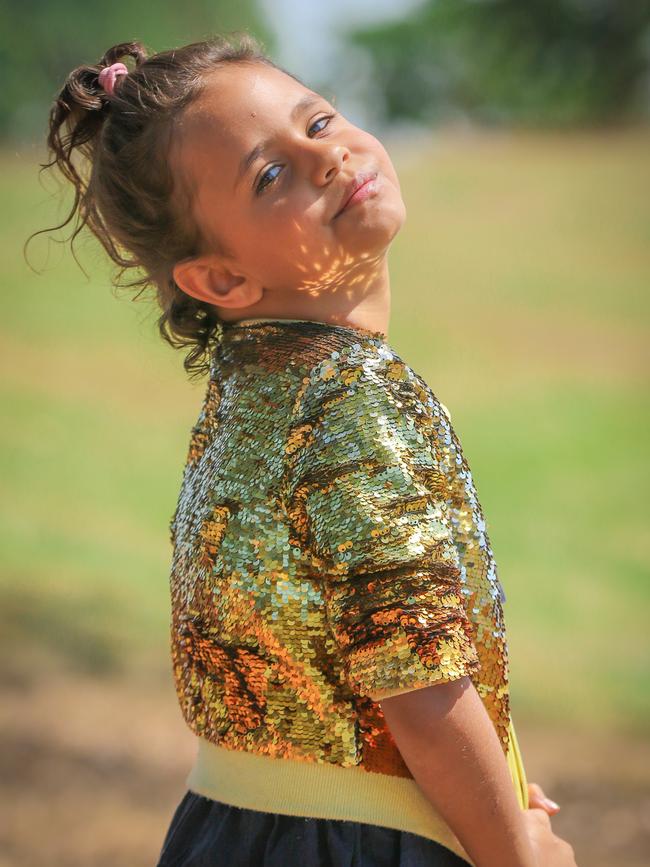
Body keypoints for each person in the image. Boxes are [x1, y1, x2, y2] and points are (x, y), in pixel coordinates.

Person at [34, 31, 578, 867]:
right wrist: (518, 853)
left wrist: (500, 789)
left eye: (319, 123)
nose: (323, 158)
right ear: (220, 280)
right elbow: (420, 683)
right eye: (271, 174)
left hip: (232, 825)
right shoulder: (348, 398)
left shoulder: (251, 388)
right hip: (352, 841)